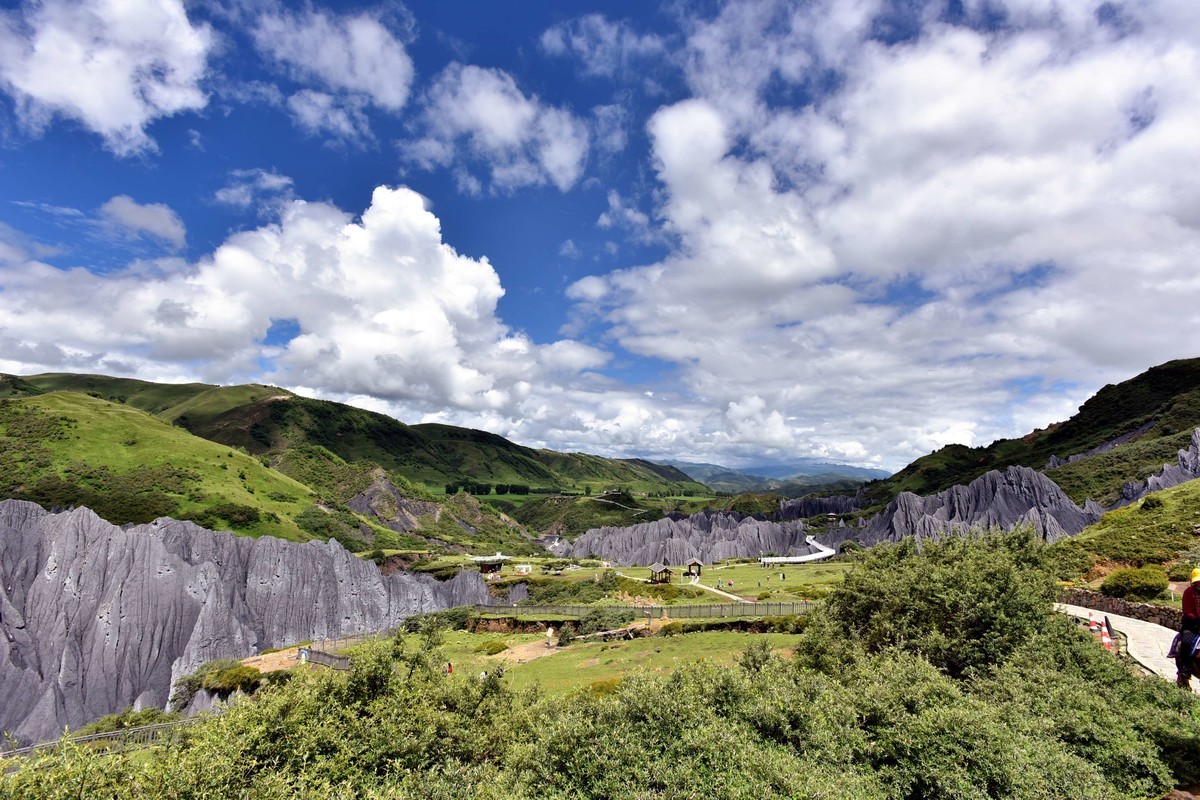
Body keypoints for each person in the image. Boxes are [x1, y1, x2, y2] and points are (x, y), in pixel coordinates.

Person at [1177, 567, 1200, 688]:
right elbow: (1187, 612)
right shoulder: (1188, 592)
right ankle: (1185, 668)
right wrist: (1197, 620)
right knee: (1186, 642)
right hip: (1192, 625)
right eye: (1198, 581)